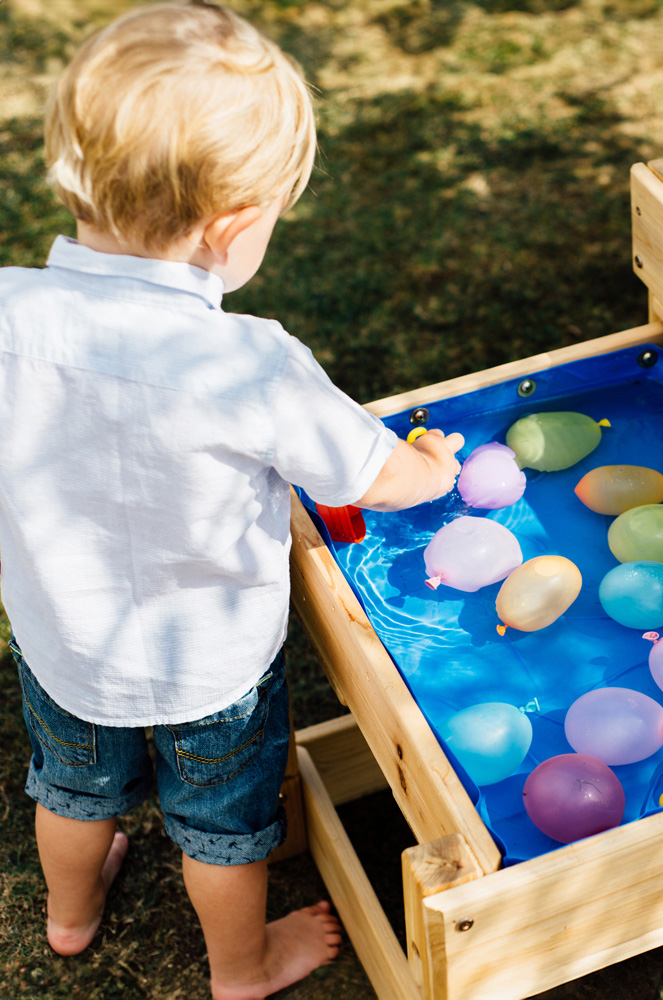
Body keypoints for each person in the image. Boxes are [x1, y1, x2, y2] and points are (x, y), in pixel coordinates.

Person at [0, 3, 463, 997]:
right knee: (222, 827)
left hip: (64, 644)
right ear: (233, 226)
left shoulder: (8, 312)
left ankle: (70, 916)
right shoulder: (249, 362)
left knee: (73, 790)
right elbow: (370, 477)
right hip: (209, 668)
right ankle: (243, 965)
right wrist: (429, 462)